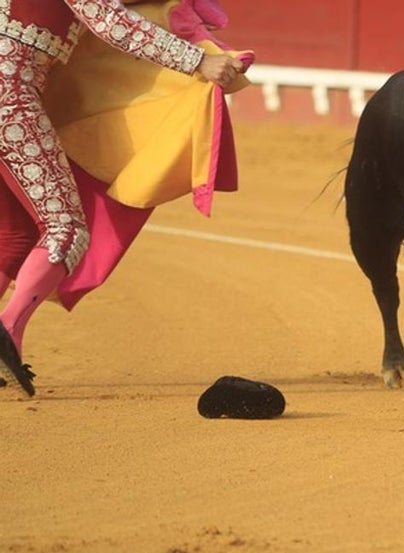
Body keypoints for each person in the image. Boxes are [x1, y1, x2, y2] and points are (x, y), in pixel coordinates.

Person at [0, 0, 244, 397]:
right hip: (7, 93)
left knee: (13, 237)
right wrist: (196, 60)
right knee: (66, 227)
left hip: (12, 86)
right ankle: (8, 331)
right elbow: (110, 21)